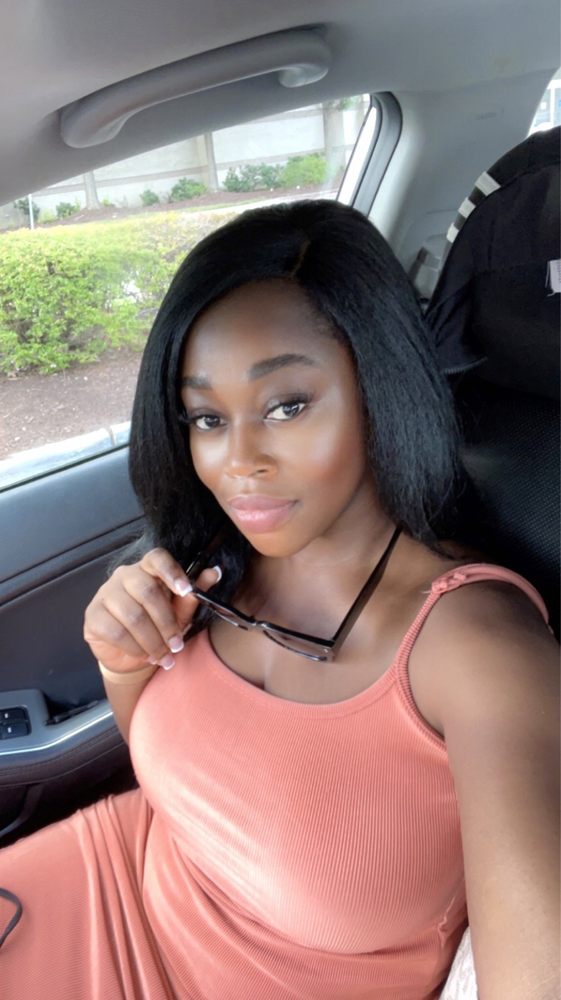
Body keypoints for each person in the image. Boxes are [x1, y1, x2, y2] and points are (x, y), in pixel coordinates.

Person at [0, 200, 558, 1000]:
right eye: (205, 417)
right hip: (104, 880)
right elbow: (185, 787)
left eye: (286, 406)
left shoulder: (475, 654)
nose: (237, 462)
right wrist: (124, 664)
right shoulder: (212, 567)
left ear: (379, 387)